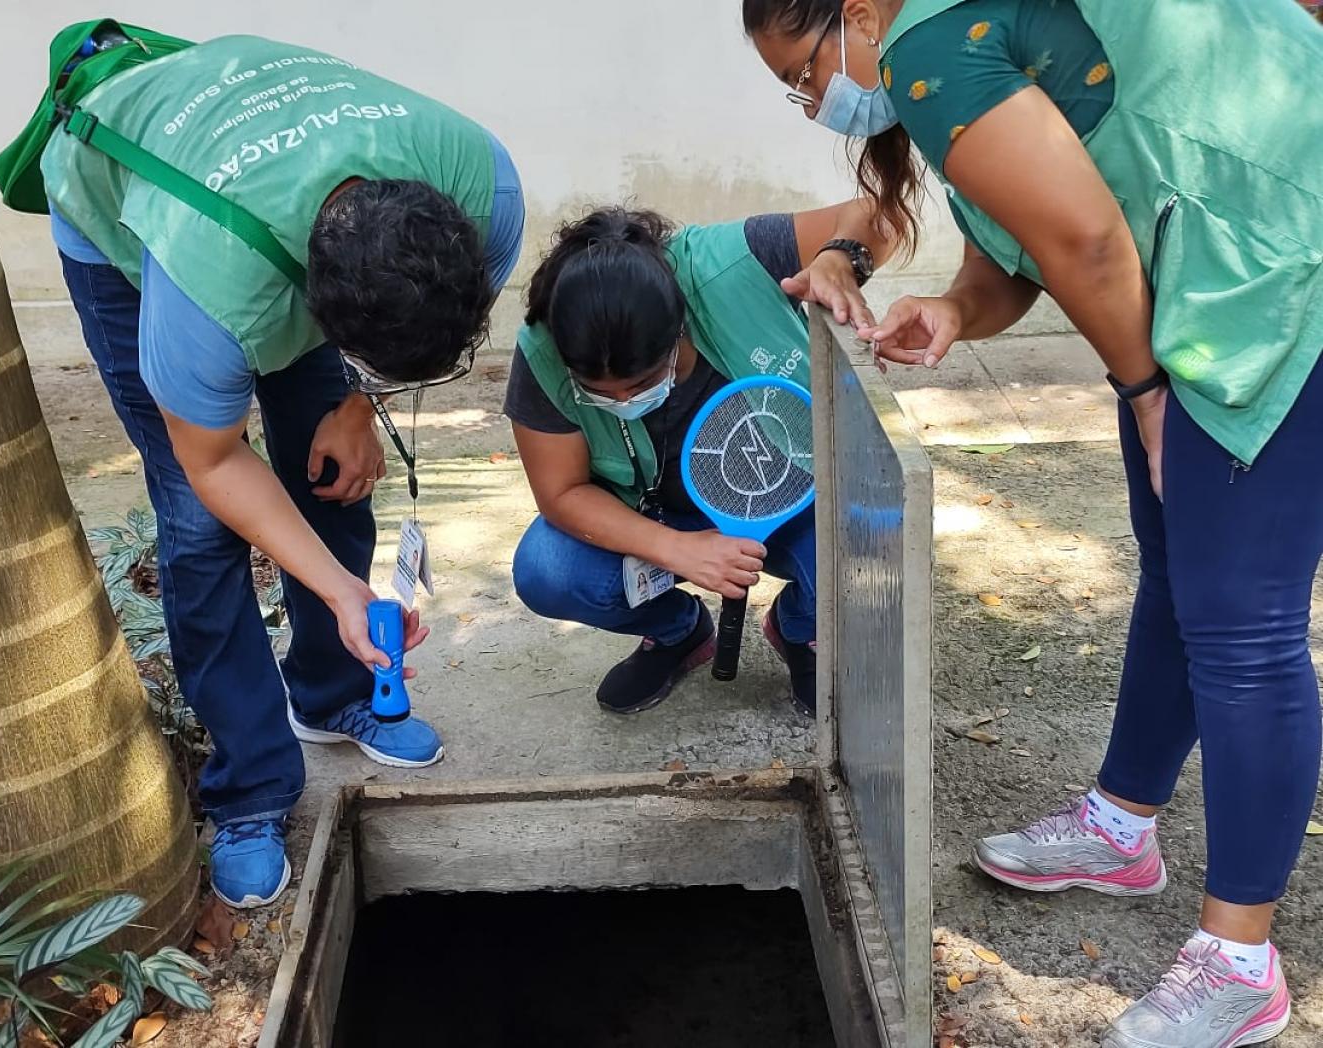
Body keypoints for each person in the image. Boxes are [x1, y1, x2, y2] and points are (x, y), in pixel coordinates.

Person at [745, 0, 1323, 1043]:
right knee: (1178, 569)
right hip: (1223, 261)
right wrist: (958, 311)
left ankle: (1240, 964)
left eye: (802, 71)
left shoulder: (926, 36)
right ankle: (1121, 825)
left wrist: (1145, 391)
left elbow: (1088, 242)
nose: (807, 100)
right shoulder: (947, 47)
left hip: (1282, 255)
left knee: (1243, 623)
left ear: (859, 13)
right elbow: (1024, 245)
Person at [9, 28, 526, 909]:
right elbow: (212, 463)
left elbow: (392, 351)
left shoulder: (483, 185)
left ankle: (329, 694)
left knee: (332, 468)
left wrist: (360, 407)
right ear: (317, 309)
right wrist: (342, 592)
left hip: (255, 185)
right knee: (199, 524)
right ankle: (249, 787)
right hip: (131, 215)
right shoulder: (213, 297)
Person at [507, 203, 892, 716]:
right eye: (599, 392)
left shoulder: (734, 263)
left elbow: (875, 214)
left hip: (786, 498)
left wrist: (841, 258)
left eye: (642, 384)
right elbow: (561, 495)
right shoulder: (543, 347)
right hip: (651, 518)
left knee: (876, 546)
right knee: (547, 570)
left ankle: (800, 629)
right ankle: (677, 632)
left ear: (678, 328)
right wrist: (676, 548)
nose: (624, 401)